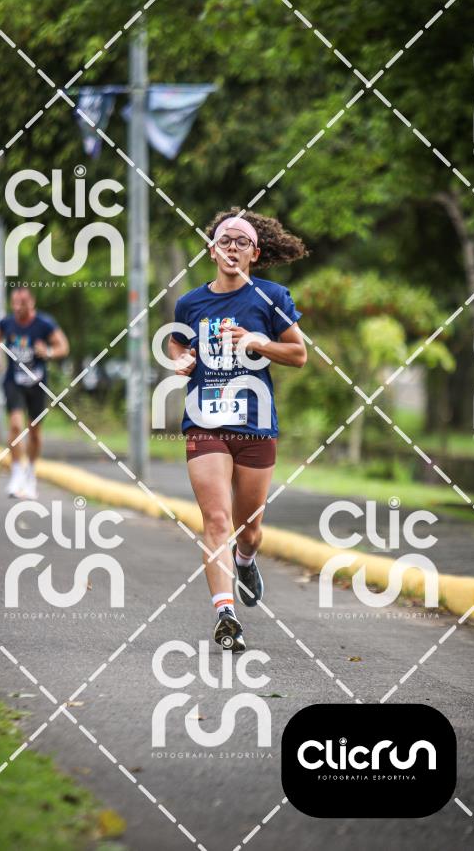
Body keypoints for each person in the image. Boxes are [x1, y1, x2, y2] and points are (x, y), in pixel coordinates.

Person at [168, 209, 308, 652]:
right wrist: (181, 360)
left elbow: (299, 354)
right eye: (224, 241)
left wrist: (255, 342)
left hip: (255, 424)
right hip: (205, 422)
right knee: (216, 520)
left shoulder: (270, 297)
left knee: (248, 529)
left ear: (255, 254)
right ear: (212, 251)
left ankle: (245, 559)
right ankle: (225, 614)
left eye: (241, 242)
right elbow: (177, 341)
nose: (232, 247)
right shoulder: (190, 303)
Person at [0, 288, 69, 499]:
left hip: (37, 383)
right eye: (14, 303)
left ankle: (30, 474)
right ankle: (16, 472)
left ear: (31, 303)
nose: (17, 307)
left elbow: (63, 346)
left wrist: (48, 352)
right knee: (16, 425)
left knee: (34, 431)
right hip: (13, 381)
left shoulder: (44, 324)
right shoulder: (7, 323)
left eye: (22, 303)